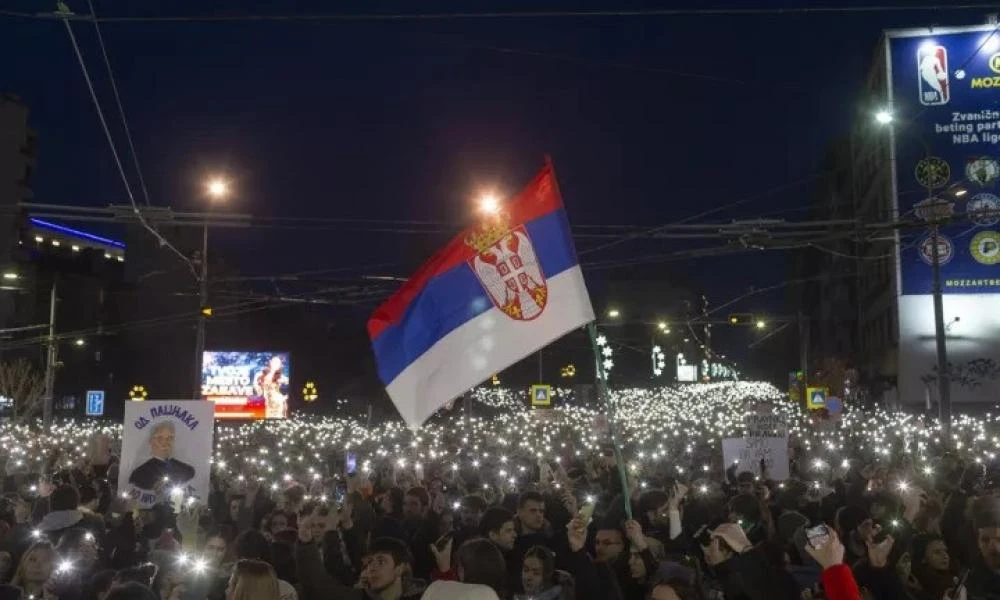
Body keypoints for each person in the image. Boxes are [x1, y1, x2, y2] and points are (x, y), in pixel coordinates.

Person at [423, 539, 505, 600]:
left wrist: (445, 573)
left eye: (458, 566)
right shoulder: (491, 594)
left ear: (462, 570)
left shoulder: (436, 589)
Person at [127, 422, 196, 490]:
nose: (165, 442)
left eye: (170, 438)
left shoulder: (188, 471)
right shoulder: (138, 474)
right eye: (159, 438)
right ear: (151, 441)